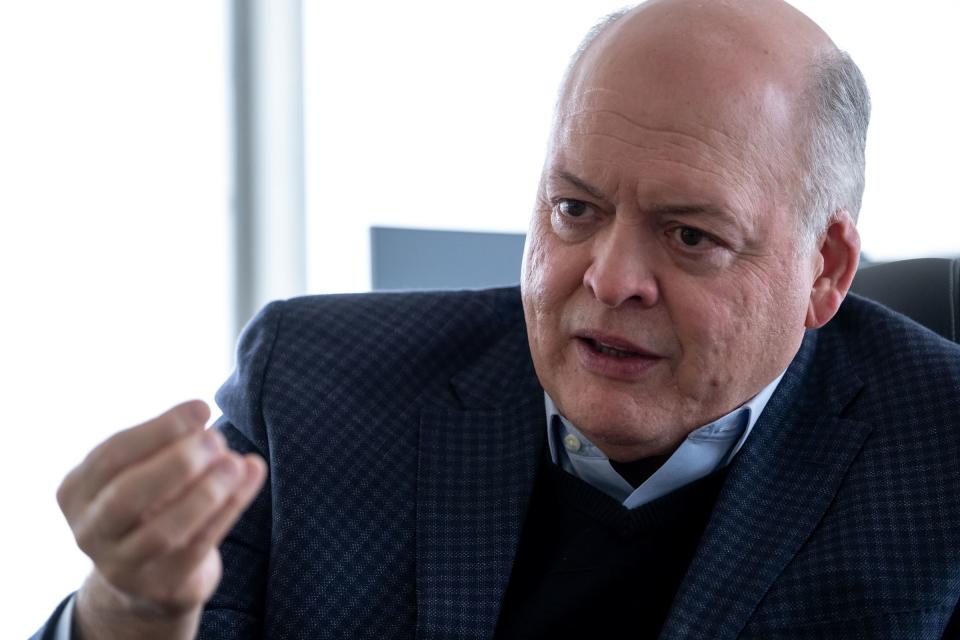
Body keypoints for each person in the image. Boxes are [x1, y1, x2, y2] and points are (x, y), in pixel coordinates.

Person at [33, 0, 960, 638]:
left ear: (825, 271)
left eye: (688, 235)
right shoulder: (313, 393)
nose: (609, 279)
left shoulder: (941, 456)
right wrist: (126, 609)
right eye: (575, 210)